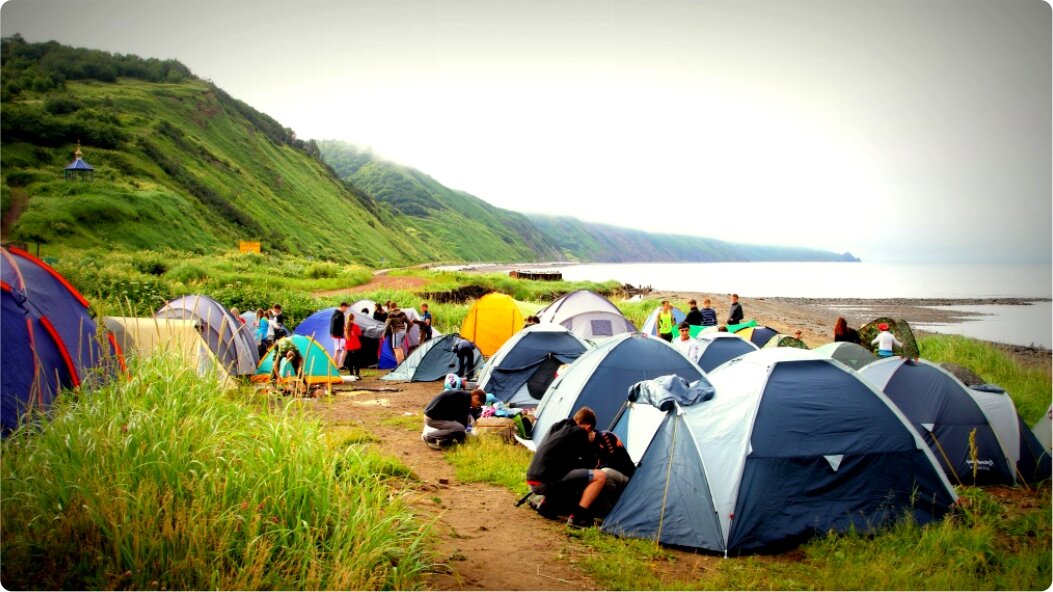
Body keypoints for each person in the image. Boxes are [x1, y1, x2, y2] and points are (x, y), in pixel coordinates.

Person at [525, 413, 606, 528]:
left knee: (566, 472)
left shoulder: (557, 426)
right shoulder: (580, 432)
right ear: (588, 427)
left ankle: (546, 505)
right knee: (599, 476)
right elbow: (591, 463)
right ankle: (578, 517)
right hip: (546, 482)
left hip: (532, 479)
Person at [573, 407, 635, 503]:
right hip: (605, 478)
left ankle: (614, 505)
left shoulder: (606, 437)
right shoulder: (583, 445)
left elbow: (613, 463)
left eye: (578, 428)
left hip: (627, 479)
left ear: (588, 428)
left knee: (604, 473)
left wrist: (591, 472)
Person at [422, 386, 487, 449]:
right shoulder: (463, 399)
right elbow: (462, 425)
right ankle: (429, 436)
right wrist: (463, 443)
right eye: (478, 404)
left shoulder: (464, 396)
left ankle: (445, 441)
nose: (476, 407)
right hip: (431, 418)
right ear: (476, 397)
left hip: (435, 416)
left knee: (464, 423)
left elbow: (462, 419)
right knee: (459, 428)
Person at [344, 311, 363, 379]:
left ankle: (351, 374)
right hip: (356, 345)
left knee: (350, 360)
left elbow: (345, 337)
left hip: (349, 345)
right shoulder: (356, 326)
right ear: (353, 318)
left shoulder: (345, 326)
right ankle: (357, 374)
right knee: (357, 360)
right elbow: (359, 334)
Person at [330, 302, 349, 367]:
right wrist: (346, 335)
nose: (346, 310)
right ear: (343, 307)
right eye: (346, 308)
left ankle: (335, 365)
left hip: (334, 335)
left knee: (337, 350)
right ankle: (341, 364)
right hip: (340, 335)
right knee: (345, 349)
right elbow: (343, 326)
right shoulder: (341, 315)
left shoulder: (334, 313)